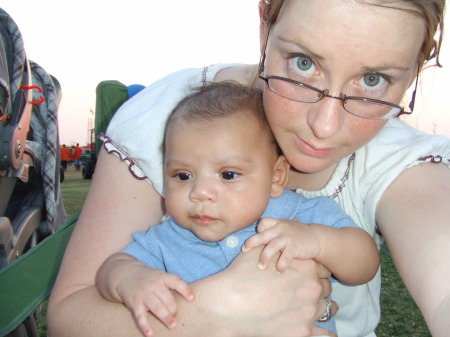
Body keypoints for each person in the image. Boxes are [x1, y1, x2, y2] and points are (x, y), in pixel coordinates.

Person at [47, 1, 450, 336]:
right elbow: (78, 305)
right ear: (264, 26)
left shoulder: (317, 205)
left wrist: (314, 241)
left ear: (414, 70)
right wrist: (205, 315)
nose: (324, 125)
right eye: (304, 62)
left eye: (374, 79)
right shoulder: (172, 128)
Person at [95, 82, 379, 337]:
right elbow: (112, 268)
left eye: (228, 175)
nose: (200, 192)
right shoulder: (166, 240)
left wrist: (316, 240)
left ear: (277, 177)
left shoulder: (300, 217)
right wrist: (130, 279)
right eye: (182, 175)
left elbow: (365, 262)